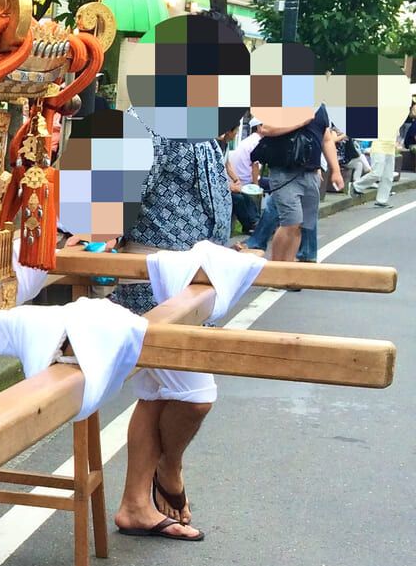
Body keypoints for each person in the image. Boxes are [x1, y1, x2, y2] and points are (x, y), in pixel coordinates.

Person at [110, 128, 233, 543]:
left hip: (196, 281)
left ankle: (134, 506)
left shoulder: (198, 128)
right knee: (196, 397)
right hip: (155, 281)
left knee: (157, 395)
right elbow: (113, 195)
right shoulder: (147, 124)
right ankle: (170, 468)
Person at [258, 103, 344, 263]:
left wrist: (336, 171)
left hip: (311, 174)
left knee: (300, 225)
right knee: (291, 221)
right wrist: (300, 122)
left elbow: (327, 140)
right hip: (285, 172)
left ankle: (288, 269)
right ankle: (276, 270)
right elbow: (266, 128)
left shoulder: (322, 108)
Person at [226, 119, 263, 234]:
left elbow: (228, 165)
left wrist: (236, 180)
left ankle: (255, 222)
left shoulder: (225, 146)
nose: (236, 134)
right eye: (236, 131)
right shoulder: (256, 141)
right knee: (240, 197)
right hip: (230, 183)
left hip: (237, 181)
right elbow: (255, 166)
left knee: (245, 196)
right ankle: (251, 224)